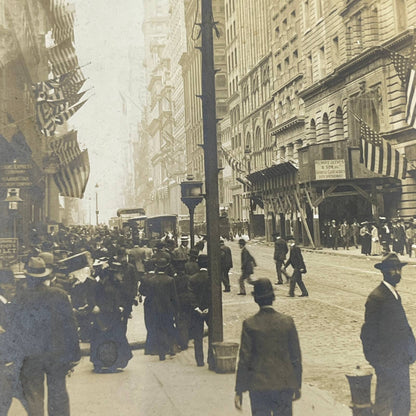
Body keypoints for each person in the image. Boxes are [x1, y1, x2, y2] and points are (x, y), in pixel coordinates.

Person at [14, 256, 80, 416]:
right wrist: (74, 354)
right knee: (58, 394)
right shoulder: (60, 295)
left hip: (31, 355)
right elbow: (70, 327)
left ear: (28, 277)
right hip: (56, 354)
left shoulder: (20, 298)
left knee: (34, 396)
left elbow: (16, 329)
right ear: (45, 276)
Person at [234, 278, 302, 416]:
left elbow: (244, 359)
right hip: (284, 385)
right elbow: (295, 357)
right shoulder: (287, 322)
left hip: (258, 386)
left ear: (256, 300)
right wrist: (296, 384)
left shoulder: (250, 324)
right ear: (273, 297)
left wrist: (239, 390)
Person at [360, 252, 416, 416]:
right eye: (393, 269)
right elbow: (367, 334)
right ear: (384, 272)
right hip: (387, 363)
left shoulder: (393, 294)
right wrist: (377, 362)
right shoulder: (377, 297)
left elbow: (404, 327)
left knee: (402, 405)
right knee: (384, 405)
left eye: (399, 269)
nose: (397, 273)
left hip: (401, 361)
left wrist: (412, 350)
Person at [139, 253, 179, 361]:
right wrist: (176, 309)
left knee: (158, 329)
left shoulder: (151, 280)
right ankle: (171, 348)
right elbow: (173, 296)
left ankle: (161, 352)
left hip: (154, 308)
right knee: (169, 327)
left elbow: (146, 293)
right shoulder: (170, 280)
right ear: (166, 268)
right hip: (167, 308)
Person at [188, 254, 212, 367]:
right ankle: (211, 358)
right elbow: (213, 294)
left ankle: (199, 360)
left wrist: (196, 307)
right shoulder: (211, 278)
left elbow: (191, 295)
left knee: (197, 336)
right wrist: (208, 307)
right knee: (213, 334)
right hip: (209, 310)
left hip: (196, 311)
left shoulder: (192, 278)